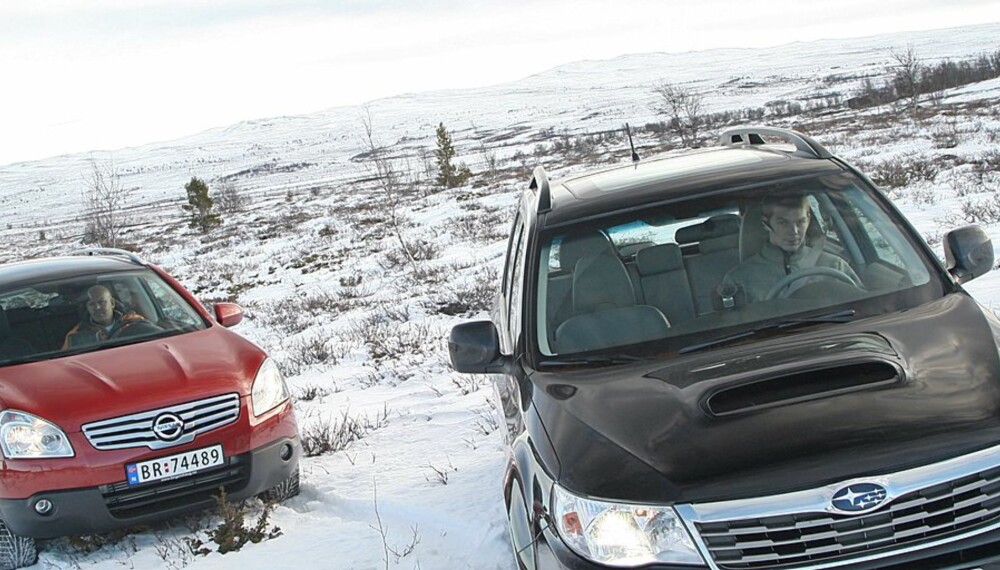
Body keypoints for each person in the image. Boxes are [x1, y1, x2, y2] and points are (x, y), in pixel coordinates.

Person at [722, 195, 861, 303]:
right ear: (766, 223)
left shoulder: (835, 266)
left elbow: (864, 309)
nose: (794, 231)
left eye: (800, 222)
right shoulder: (740, 280)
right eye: (783, 223)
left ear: (808, 219)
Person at [62, 285, 160, 349]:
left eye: (101, 302)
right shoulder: (76, 335)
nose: (97, 307)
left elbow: (162, 340)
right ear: (87, 308)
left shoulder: (134, 323)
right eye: (92, 304)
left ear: (112, 303)